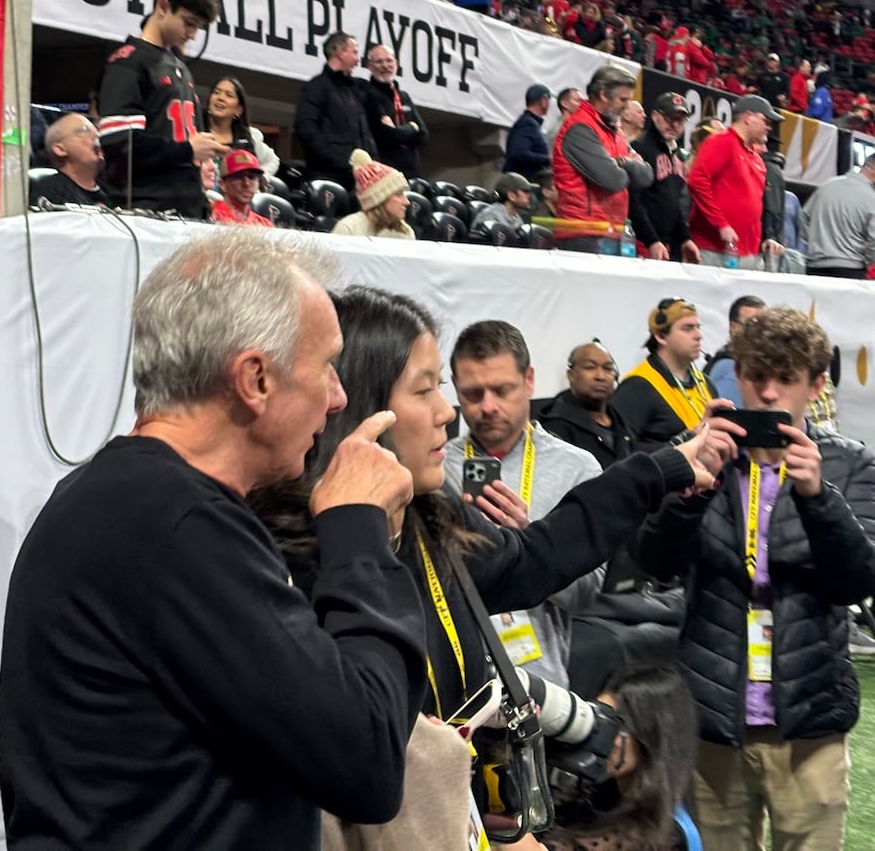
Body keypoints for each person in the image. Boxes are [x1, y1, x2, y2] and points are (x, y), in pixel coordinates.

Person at [0, 230, 427, 848]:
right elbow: (367, 760)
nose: (337, 399)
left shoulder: (123, 500)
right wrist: (359, 533)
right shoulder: (177, 526)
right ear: (254, 379)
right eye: (326, 366)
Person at [254, 287, 713, 729]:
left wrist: (657, 471)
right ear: (360, 405)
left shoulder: (427, 516)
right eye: (423, 391)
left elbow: (536, 558)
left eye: (441, 388)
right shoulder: (278, 556)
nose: (446, 412)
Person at [634, 307, 875, 851]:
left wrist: (820, 502)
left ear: (816, 385)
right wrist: (689, 491)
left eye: (785, 379)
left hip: (808, 721)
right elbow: (653, 561)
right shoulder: (697, 455)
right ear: (737, 375)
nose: (767, 395)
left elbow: (856, 581)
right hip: (715, 718)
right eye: (755, 376)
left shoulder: (849, 466)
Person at [443, 321, 606, 688]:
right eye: (472, 393)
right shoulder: (433, 467)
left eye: (502, 390)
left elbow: (586, 595)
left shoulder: (577, 467)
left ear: (529, 380)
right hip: (454, 685)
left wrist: (532, 543)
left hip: (538, 688)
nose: (487, 406)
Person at [97, 0, 229, 218]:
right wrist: (187, 150)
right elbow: (120, 143)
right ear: (162, 6)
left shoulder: (178, 66)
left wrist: (204, 150)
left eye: (197, 27)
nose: (191, 34)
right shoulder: (128, 63)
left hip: (186, 208)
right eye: (188, 23)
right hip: (148, 210)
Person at [539, 665, 700, 851]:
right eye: (598, 719)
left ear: (650, 737)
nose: (599, 735)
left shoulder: (668, 835)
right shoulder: (586, 799)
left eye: (613, 724)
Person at [551, 65, 653, 254]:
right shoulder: (580, 129)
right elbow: (613, 180)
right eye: (623, 99)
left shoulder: (615, 130)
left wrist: (620, 162)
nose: (627, 105)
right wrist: (628, 163)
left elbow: (646, 176)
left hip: (610, 230)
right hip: (582, 233)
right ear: (603, 94)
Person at [685, 95, 785, 269]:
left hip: (749, 252)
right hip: (715, 248)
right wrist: (721, 224)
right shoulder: (721, 142)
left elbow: (757, 206)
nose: (769, 127)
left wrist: (766, 238)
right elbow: (697, 181)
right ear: (748, 117)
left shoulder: (757, 158)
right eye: (765, 121)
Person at [613, 298, 718, 452]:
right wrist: (682, 445)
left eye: (698, 327)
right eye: (688, 328)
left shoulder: (705, 382)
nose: (698, 335)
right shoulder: (637, 387)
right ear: (661, 336)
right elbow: (621, 449)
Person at [295, 32, 376, 189]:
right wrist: (342, 162)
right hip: (328, 177)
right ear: (340, 52)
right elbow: (306, 130)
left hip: (360, 180)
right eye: (354, 52)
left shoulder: (356, 90)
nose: (358, 59)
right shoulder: (316, 87)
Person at [540, 340, 637, 470]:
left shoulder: (619, 418)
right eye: (590, 367)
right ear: (571, 375)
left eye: (608, 368)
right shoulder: (555, 425)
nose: (601, 376)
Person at [629, 92, 697, 263]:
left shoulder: (679, 155)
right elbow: (634, 201)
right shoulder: (640, 148)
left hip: (667, 245)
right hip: (642, 243)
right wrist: (651, 240)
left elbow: (675, 203)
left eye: (679, 120)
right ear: (655, 116)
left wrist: (685, 238)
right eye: (669, 118)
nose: (674, 125)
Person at [803, 151, 875, 279]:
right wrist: (870, 263)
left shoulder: (827, 185)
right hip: (850, 269)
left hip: (814, 267)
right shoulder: (871, 198)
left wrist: (816, 244)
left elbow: (803, 218)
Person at [361, 44, 428, 179]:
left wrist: (400, 131)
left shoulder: (404, 97)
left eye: (389, 60)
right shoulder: (368, 95)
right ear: (370, 66)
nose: (385, 65)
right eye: (379, 61)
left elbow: (423, 136)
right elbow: (387, 136)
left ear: (396, 63)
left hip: (412, 173)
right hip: (383, 173)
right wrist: (411, 127)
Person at [202, 75, 280, 178]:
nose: (220, 98)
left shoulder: (250, 137)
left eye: (229, 95)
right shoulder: (195, 129)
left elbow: (272, 161)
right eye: (216, 92)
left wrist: (262, 179)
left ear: (238, 110)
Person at [30, 113, 110, 208]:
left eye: (97, 131)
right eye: (84, 130)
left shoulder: (111, 191)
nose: (97, 135)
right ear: (60, 149)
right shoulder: (50, 190)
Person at [332, 149, 415, 239]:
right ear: (381, 199)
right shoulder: (348, 228)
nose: (407, 202)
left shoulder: (406, 233)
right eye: (398, 194)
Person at [703, 295, 767, 408]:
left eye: (764, 326)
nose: (759, 332)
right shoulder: (729, 368)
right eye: (751, 325)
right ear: (733, 327)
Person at [211, 149, 273, 226]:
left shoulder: (265, 224)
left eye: (252, 177)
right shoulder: (211, 216)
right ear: (222, 185)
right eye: (238, 177)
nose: (246, 183)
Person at [503, 84, 552, 180]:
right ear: (544, 101)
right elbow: (518, 153)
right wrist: (548, 159)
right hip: (524, 185)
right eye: (549, 100)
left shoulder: (529, 123)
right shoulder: (528, 124)